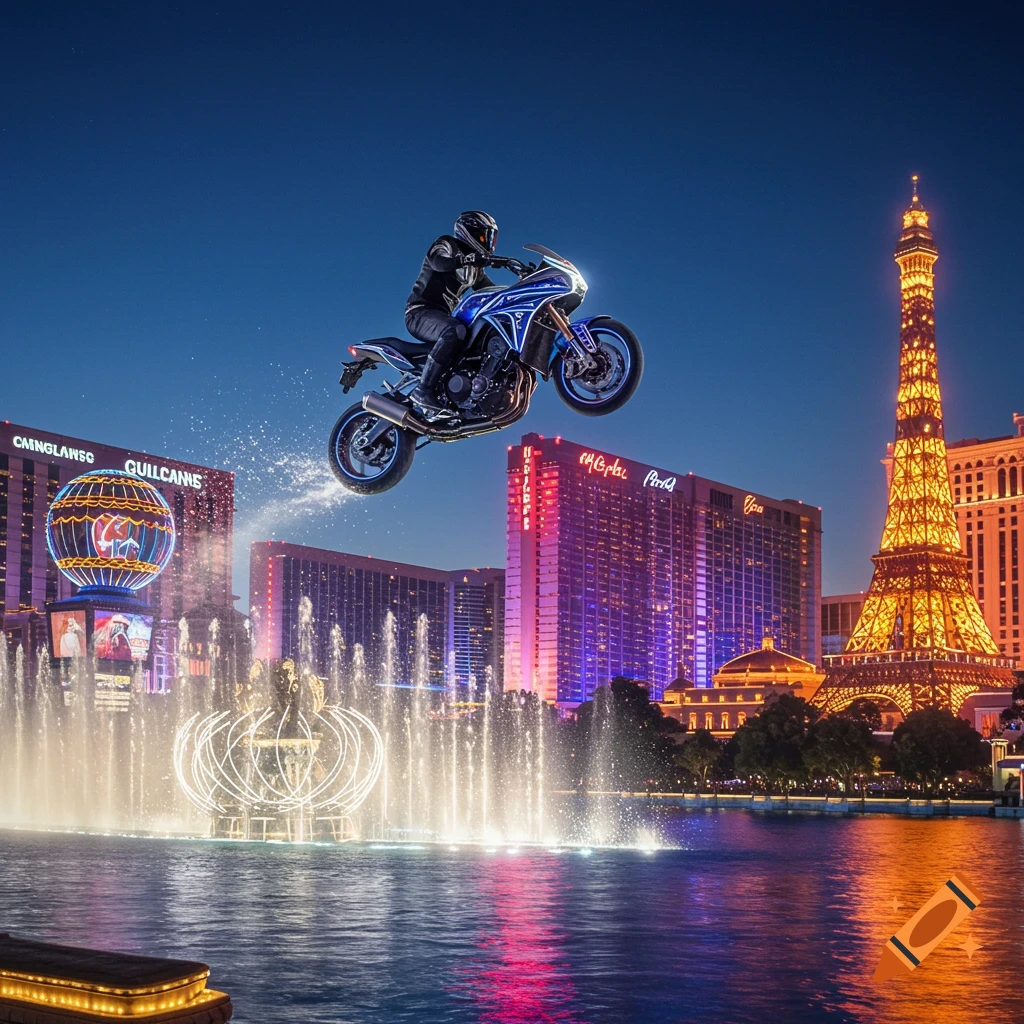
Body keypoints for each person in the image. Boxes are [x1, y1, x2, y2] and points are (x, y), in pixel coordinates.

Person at [406, 211, 508, 414]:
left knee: (475, 339)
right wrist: (469, 258)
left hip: (444, 316)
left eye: (489, 237)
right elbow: (439, 262)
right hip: (420, 312)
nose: (486, 241)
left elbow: (489, 291)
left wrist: (514, 295)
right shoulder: (446, 244)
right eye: (482, 235)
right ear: (467, 231)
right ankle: (423, 390)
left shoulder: (476, 270)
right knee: (456, 331)